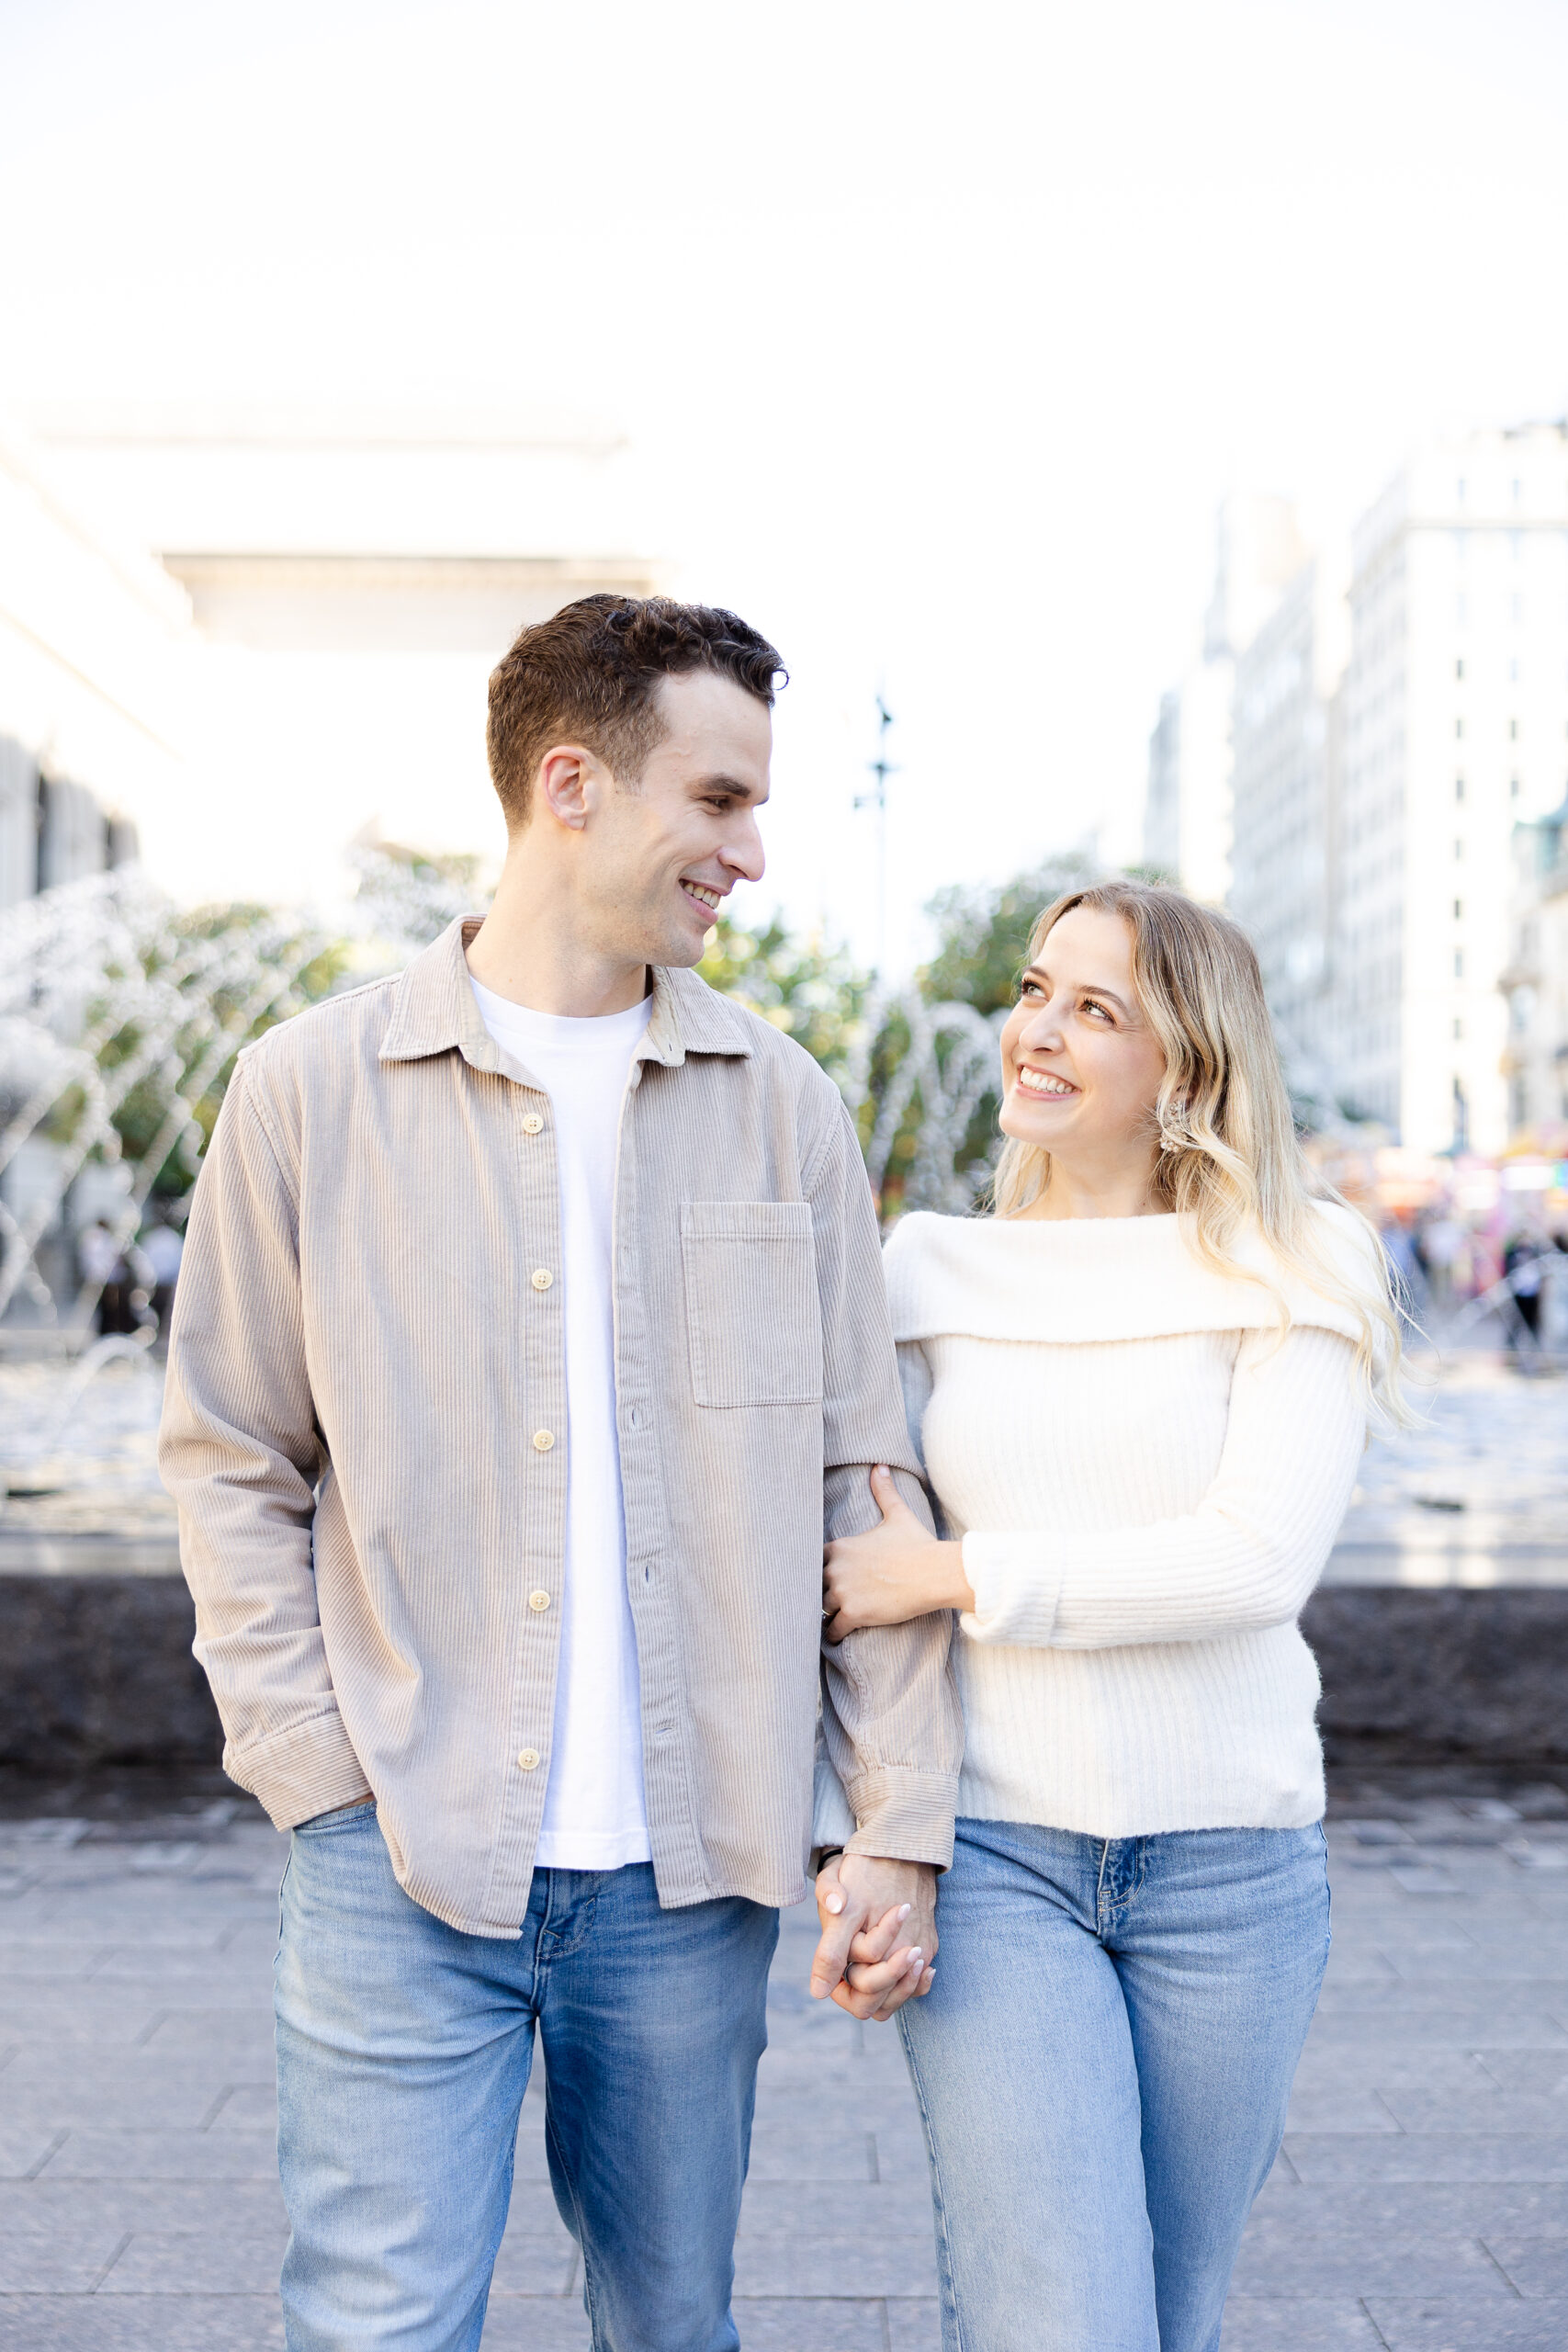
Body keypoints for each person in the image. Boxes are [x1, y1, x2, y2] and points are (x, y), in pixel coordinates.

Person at [160, 595, 960, 2352]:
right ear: (573, 783)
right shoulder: (307, 1093)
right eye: (722, 799)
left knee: (674, 2326)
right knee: (378, 2328)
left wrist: (891, 1817)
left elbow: (862, 1475)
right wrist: (312, 1770)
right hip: (402, 1850)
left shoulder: (786, 1106)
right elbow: (230, 1453)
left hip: (691, 1878)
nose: (752, 852)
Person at [818, 880, 1401, 2352]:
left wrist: (962, 1575)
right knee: (1062, 2320)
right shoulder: (923, 1271)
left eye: (1096, 1010)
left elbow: (1251, 1564)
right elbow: (856, 1596)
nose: (1038, 1032)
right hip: (1002, 1860)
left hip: (1235, 1873)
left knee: (1169, 2313)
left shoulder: (1300, 1260)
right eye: (1034, 992)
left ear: (1189, 1066)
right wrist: (863, 1844)